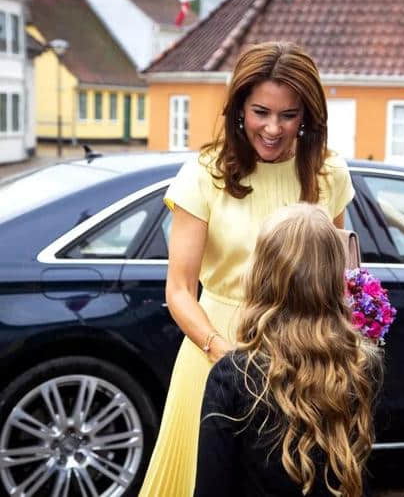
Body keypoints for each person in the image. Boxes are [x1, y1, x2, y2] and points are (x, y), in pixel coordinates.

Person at [139, 42, 355, 496]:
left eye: (288, 115)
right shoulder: (205, 174)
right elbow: (179, 289)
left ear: (308, 117)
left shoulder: (329, 174)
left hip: (304, 367)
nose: (273, 129)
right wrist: (227, 359)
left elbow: (342, 273)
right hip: (215, 352)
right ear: (239, 108)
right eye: (260, 112)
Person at [194, 203, 382, 496]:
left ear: (260, 275)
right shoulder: (361, 364)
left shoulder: (234, 375)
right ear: (334, 278)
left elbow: (211, 486)